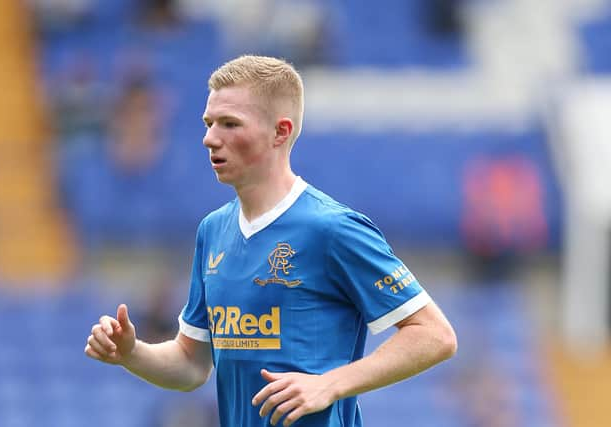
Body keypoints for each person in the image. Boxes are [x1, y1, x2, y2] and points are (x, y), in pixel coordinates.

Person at [85, 55, 458, 427]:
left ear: (280, 132)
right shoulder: (213, 231)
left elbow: (434, 335)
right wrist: (132, 353)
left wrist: (330, 384)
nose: (209, 138)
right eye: (209, 123)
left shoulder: (331, 229)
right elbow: (191, 364)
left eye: (230, 124)